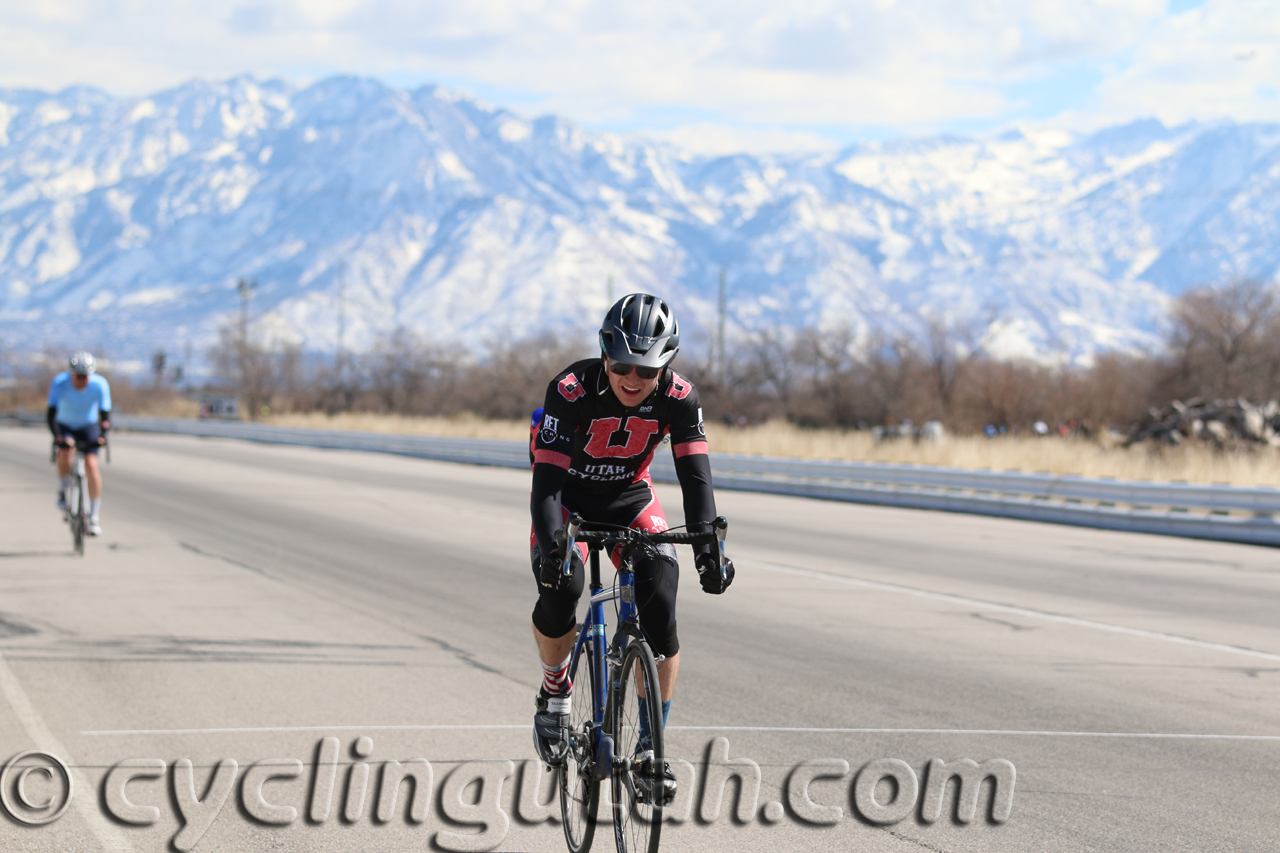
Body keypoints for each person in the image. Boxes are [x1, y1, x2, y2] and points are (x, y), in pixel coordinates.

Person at [529, 292, 735, 803]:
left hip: (629, 499)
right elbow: (547, 484)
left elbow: (696, 477)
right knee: (564, 587)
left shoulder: (681, 397)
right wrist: (556, 546)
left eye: (646, 371)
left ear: (667, 364)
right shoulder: (571, 390)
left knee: (661, 599)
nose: (631, 379)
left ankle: (650, 746)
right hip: (567, 502)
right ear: (604, 353)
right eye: (621, 364)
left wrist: (709, 547)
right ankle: (556, 691)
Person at [47, 351, 111, 535]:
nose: (81, 380)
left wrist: (103, 436)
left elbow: (105, 416)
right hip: (65, 424)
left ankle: (94, 517)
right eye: (77, 376)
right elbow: (51, 415)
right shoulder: (60, 383)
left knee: (92, 467)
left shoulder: (100, 385)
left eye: (85, 376)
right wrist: (59, 437)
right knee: (65, 453)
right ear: (71, 374)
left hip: (87, 426)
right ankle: (62, 489)